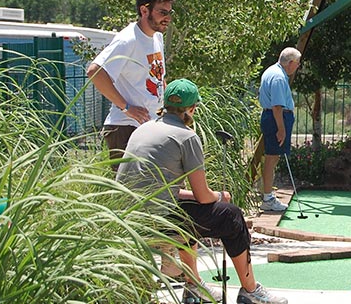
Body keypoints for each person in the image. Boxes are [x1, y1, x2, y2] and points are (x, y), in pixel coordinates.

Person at [116, 78, 288, 304]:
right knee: (232, 216)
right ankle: (251, 291)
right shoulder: (186, 136)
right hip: (159, 220)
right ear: (192, 108)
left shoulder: (144, 128)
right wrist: (220, 196)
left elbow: (164, 191)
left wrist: (210, 197)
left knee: (188, 214)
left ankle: (194, 286)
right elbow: (203, 196)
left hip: (128, 217)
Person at [88, 0, 173, 170]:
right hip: (126, 128)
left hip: (151, 125)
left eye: (169, 12)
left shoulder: (157, 37)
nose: (167, 17)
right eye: (162, 12)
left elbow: (159, 77)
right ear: (144, 10)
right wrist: (126, 107)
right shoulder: (128, 39)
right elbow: (95, 71)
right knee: (131, 193)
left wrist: (170, 109)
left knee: (157, 189)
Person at [259, 47, 302, 212]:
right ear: (290, 63)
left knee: (273, 157)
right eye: (297, 63)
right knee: (272, 157)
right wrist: (281, 129)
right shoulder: (278, 77)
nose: (297, 67)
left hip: (275, 117)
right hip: (276, 119)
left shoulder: (273, 71)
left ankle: (268, 196)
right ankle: (268, 198)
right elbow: (277, 106)